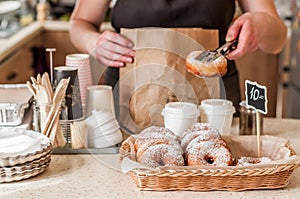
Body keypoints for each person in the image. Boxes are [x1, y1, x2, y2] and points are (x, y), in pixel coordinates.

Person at [69, 0, 287, 116]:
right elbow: (79, 23)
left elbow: (277, 39)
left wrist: (261, 24)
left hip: (214, 104)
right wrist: (93, 42)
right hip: (129, 101)